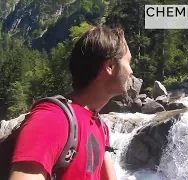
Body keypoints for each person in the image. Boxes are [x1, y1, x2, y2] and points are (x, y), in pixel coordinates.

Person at [9, 24, 133, 180]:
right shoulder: (52, 119)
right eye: (128, 62)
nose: (131, 70)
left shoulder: (101, 127)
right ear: (110, 66)